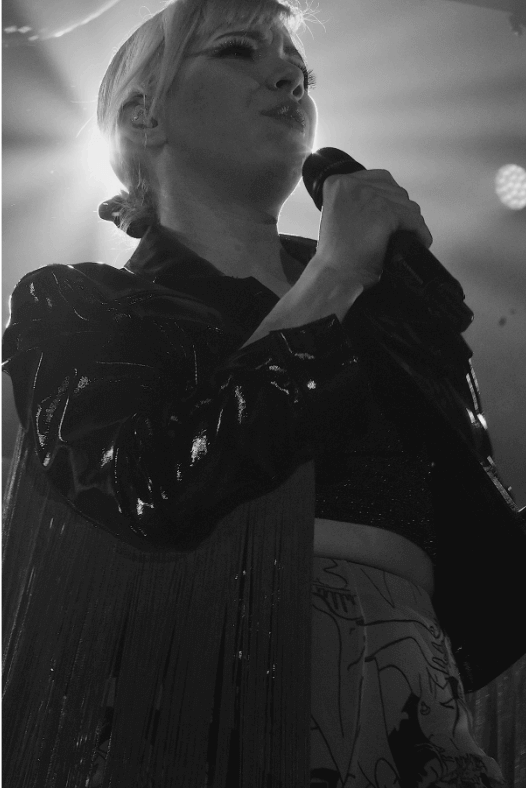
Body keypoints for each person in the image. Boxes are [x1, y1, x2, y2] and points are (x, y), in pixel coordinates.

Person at [3, 0, 526, 786]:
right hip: (205, 704)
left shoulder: (381, 306)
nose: (287, 77)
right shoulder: (81, 305)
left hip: (422, 705)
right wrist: (334, 276)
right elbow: (148, 482)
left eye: (298, 69)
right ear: (144, 116)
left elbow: (475, 538)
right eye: (238, 51)